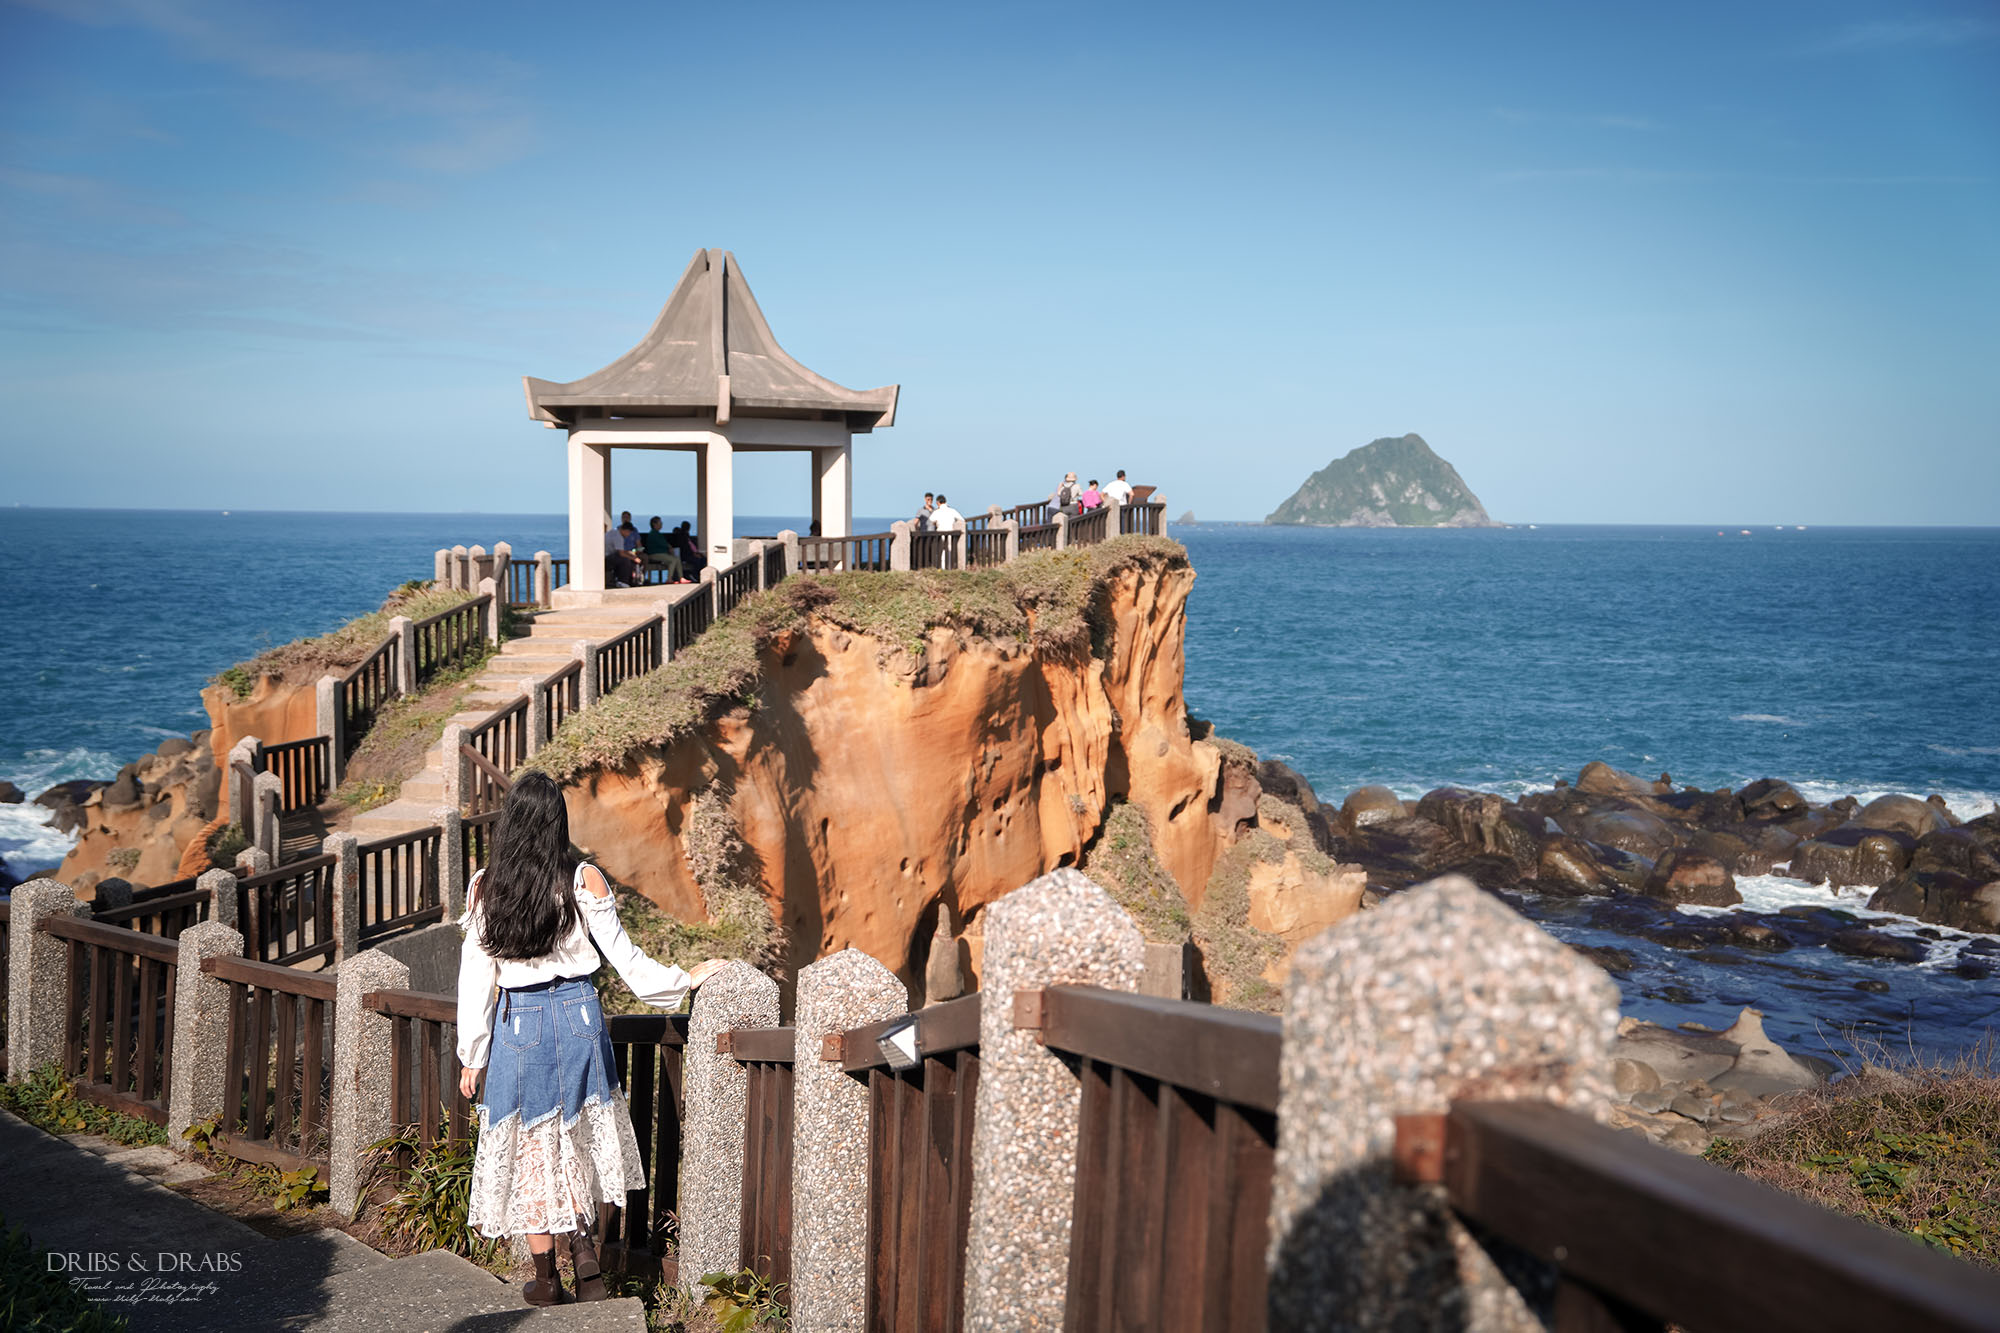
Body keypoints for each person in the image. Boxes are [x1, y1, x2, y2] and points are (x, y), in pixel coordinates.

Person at [456, 772, 728, 1306]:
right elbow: (627, 961)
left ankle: (545, 1279)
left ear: (509, 821)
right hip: (579, 1015)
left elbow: (475, 979)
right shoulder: (583, 879)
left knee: (532, 1147)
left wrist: (473, 1056)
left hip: (520, 1024)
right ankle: (586, 1258)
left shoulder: (486, 886)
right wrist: (683, 979)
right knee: (576, 1137)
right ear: (558, 819)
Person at [639, 516, 682, 582]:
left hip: (662, 554)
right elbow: (665, 545)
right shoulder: (653, 534)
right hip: (655, 554)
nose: (661, 524)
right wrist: (670, 548)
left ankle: (681, 578)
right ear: (654, 524)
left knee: (677, 560)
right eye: (660, 522)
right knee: (673, 560)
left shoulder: (658, 534)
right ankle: (669, 579)